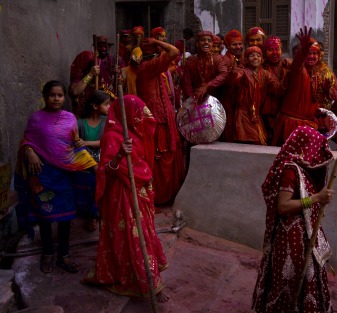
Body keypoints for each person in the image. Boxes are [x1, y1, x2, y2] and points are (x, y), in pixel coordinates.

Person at [80, 95, 169, 302]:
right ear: (127, 114)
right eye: (137, 115)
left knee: (144, 235)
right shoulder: (112, 136)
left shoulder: (134, 135)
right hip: (121, 196)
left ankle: (148, 279)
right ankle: (146, 283)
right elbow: (105, 171)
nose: (141, 119)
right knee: (132, 237)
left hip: (139, 192)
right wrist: (119, 156)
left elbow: (143, 163)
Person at [14, 81, 97, 273]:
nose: (57, 98)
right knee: (45, 215)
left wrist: (92, 165)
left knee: (65, 217)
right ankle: (48, 254)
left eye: (60, 95)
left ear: (64, 97)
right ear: (44, 96)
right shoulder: (36, 119)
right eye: (52, 95)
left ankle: (64, 256)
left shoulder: (70, 118)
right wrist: (28, 151)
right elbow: (27, 140)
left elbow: (76, 143)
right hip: (43, 174)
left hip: (64, 175)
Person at [251, 125, 335, 312]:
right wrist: (315, 198)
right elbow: (283, 206)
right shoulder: (290, 170)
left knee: (306, 281)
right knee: (288, 284)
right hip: (290, 239)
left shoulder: (303, 168)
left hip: (305, 235)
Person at [136, 37, 185, 207]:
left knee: (166, 157)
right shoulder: (148, 67)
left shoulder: (153, 69)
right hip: (155, 123)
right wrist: (158, 42)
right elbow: (174, 51)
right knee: (158, 158)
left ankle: (164, 196)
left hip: (162, 120)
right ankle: (157, 198)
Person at [272, 27, 337, 146]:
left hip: (307, 126)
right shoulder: (298, 70)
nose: (311, 56)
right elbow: (298, 62)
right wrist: (304, 49)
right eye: (309, 53)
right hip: (292, 126)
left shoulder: (317, 74)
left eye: (314, 53)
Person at [227, 46, 283, 145]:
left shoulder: (265, 74)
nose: (255, 58)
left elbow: (278, 89)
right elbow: (235, 79)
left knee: (260, 143)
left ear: (262, 59)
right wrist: (233, 73)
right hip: (243, 114)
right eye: (252, 56)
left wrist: (288, 75)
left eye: (258, 55)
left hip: (256, 115)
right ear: (247, 60)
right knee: (249, 142)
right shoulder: (243, 72)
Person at [73, 90, 110, 232]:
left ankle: (97, 215)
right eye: (106, 104)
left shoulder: (106, 122)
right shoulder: (80, 124)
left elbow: (106, 142)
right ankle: (90, 216)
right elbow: (76, 144)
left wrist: (87, 142)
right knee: (88, 187)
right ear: (95, 106)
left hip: (103, 162)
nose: (109, 107)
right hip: (85, 164)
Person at [70, 36, 124, 117]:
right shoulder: (86, 63)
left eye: (105, 46)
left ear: (109, 48)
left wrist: (117, 78)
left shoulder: (113, 62)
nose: (103, 49)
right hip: (87, 113)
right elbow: (75, 92)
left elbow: (119, 90)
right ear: (95, 48)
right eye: (100, 46)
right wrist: (90, 74)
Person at [261, 36, 292, 143]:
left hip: (286, 114)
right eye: (270, 50)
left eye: (277, 49)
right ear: (265, 52)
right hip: (268, 115)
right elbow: (277, 90)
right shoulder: (262, 68)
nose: (275, 53)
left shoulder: (286, 66)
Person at [182, 31, 228, 101]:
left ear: (212, 43)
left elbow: (224, 74)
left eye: (209, 41)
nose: (206, 42)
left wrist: (207, 86)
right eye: (203, 40)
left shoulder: (217, 59)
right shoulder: (191, 61)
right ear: (197, 44)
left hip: (215, 101)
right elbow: (187, 84)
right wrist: (192, 100)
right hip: (195, 101)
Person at [219, 29, 245, 142]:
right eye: (234, 44)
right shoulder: (223, 60)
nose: (238, 47)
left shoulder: (245, 59)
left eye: (240, 44)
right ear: (227, 46)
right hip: (228, 103)